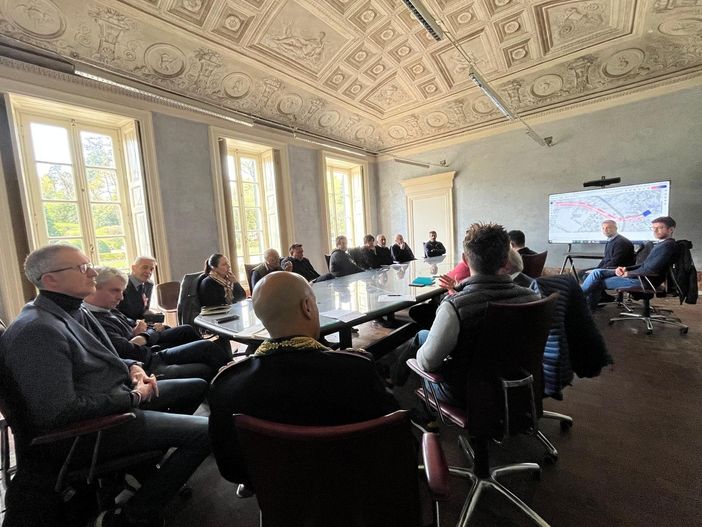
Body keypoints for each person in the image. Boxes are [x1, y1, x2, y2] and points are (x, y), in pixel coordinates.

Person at [0, 245, 210, 527]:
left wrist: (133, 367)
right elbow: (60, 411)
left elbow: (106, 355)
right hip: (92, 430)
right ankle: (132, 516)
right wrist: (135, 397)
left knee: (195, 385)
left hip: (115, 396)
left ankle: (142, 464)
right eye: (82, 268)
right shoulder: (37, 330)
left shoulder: (74, 310)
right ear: (50, 280)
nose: (93, 273)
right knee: (206, 432)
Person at [208, 271, 399, 488]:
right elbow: (396, 442)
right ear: (307, 306)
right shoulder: (356, 370)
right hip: (357, 488)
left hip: (280, 496)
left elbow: (232, 469)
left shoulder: (227, 386)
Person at [412, 223, 539, 406]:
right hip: (519, 387)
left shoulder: (453, 307)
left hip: (468, 395)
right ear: (506, 261)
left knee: (421, 352)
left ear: (465, 259)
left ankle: (419, 411)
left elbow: (427, 364)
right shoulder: (533, 297)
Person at [84, 266, 231, 382]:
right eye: (115, 291)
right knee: (206, 348)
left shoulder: (108, 310)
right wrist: (146, 334)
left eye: (121, 291)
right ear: (93, 289)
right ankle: (234, 378)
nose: (121, 297)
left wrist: (144, 334)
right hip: (148, 359)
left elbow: (138, 327)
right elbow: (130, 350)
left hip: (149, 349)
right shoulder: (94, 319)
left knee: (186, 331)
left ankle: (226, 377)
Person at [581, 216, 678, 311]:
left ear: (671, 230)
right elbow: (645, 265)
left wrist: (629, 274)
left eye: (660, 228)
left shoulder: (667, 246)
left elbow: (651, 270)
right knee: (597, 273)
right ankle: (584, 305)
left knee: (595, 281)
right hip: (641, 276)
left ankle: (583, 306)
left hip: (644, 280)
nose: (655, 231)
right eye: (653, 228)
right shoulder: (662, 244)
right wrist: (626, 269)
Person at [117, 256, 161, 322]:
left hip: (141, 323)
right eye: (145, 267)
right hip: (125, 324)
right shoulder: (122, 284)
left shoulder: (149, 284)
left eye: (151, 269)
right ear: (133, 268)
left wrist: (152, 316)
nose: (148, 271)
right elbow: (117, 313)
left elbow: (144, 309)